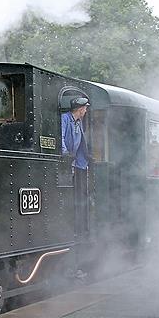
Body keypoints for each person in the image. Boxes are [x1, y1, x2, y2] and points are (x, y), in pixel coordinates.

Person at [61, 96, 91, 280]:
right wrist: (66, 157)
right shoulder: (65, 119)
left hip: (77, 163)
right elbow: (61, 138)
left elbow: (80, 145)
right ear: (79, 109)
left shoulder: (78, 123)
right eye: (85, 108)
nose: (86, 111)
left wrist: (84, 163)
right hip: (66, 162)